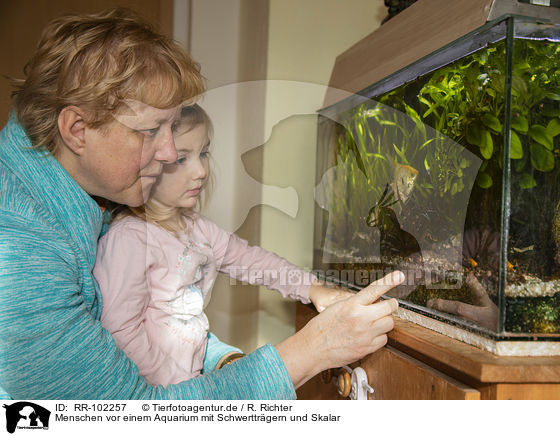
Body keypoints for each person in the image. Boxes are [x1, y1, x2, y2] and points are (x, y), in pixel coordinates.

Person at [0, 8, 402, 400]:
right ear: (77, 130)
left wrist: (216, 355)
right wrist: (315, 349)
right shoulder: (19, 253)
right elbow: (127, 417)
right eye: (151, 130)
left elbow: (171, 315)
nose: (169, 152)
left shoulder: (88, 199)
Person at [94, 104, 350, 387]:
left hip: (192, 385)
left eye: (203, 153)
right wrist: (179, 386)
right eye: (181, 159)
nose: (201, 170)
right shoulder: (129, 239)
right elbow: (120, 331)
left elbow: (253, 261)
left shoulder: (199, 230)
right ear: (146, 163)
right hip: (155, 395)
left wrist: (311, 288)